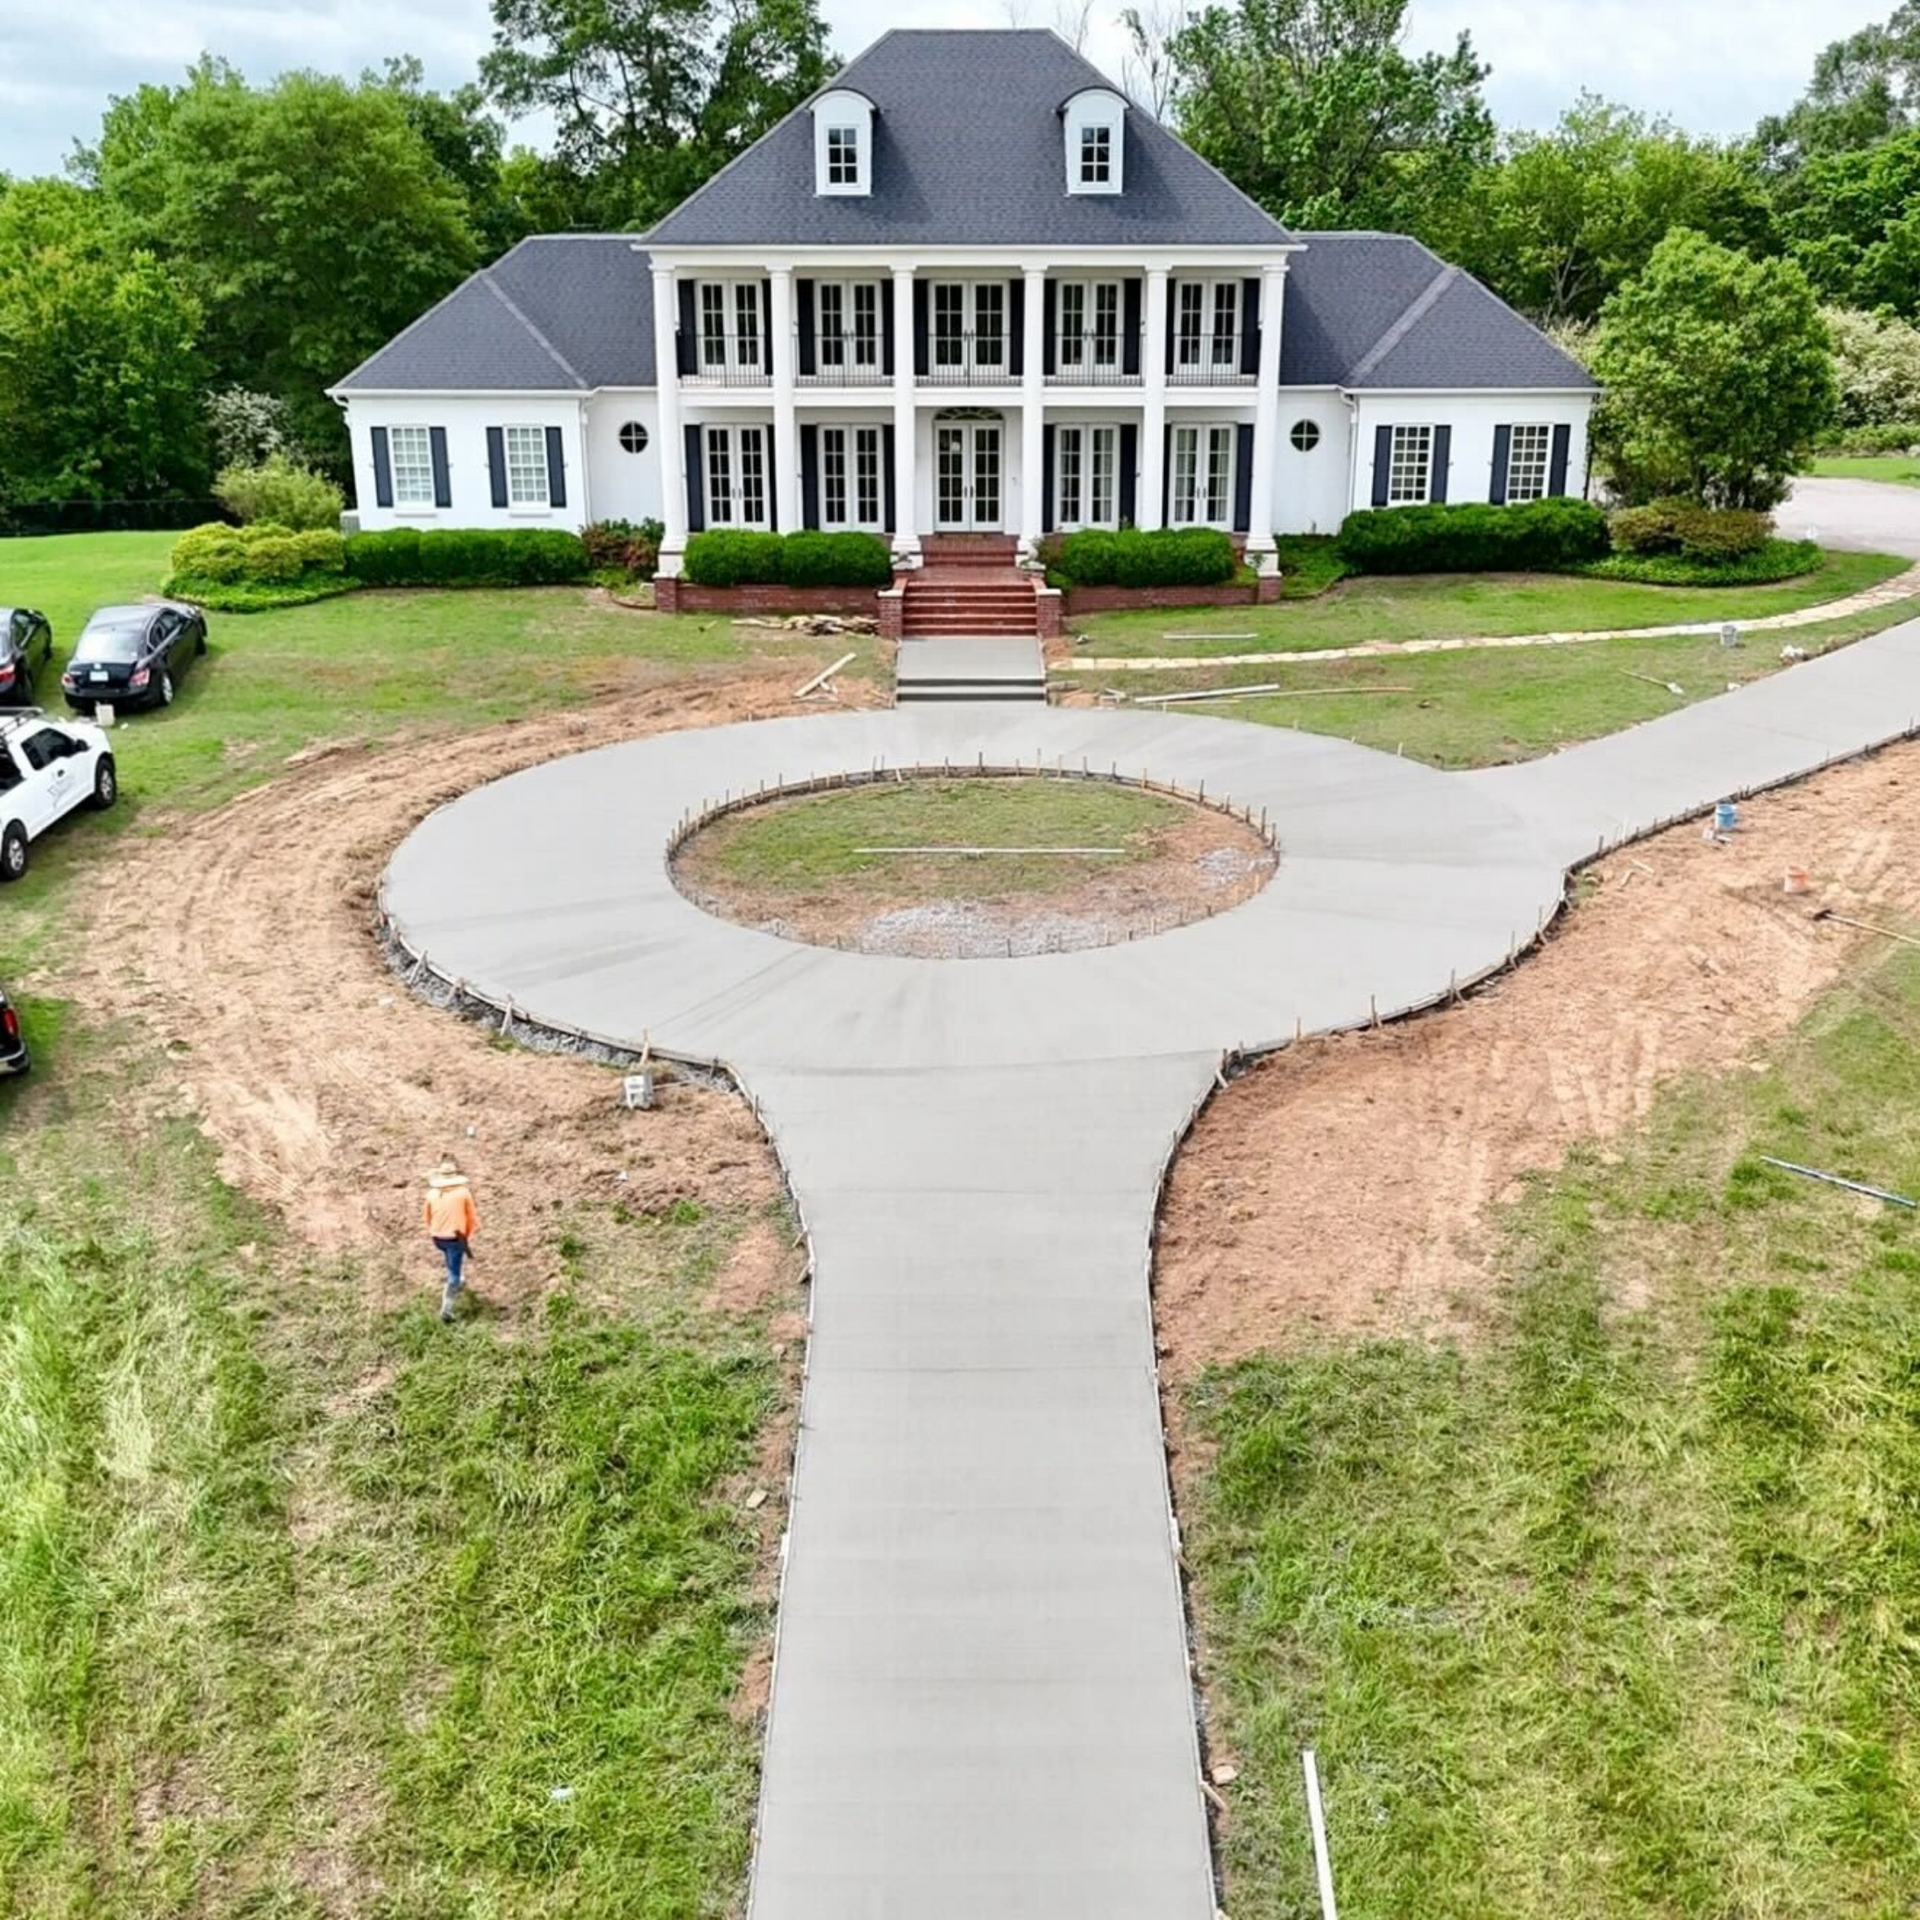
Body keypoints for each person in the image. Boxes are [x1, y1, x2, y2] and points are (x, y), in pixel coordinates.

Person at [424, 1156, 478, 1323]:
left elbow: (427, 1217)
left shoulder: (431, 1193)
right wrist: (466, 1237)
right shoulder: (463, 1193)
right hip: (455, 1237)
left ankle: (457, 1280)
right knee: (454, 1271)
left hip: (437, 1237)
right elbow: (472, 1219)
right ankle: (447, 1309)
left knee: (450, 1257)